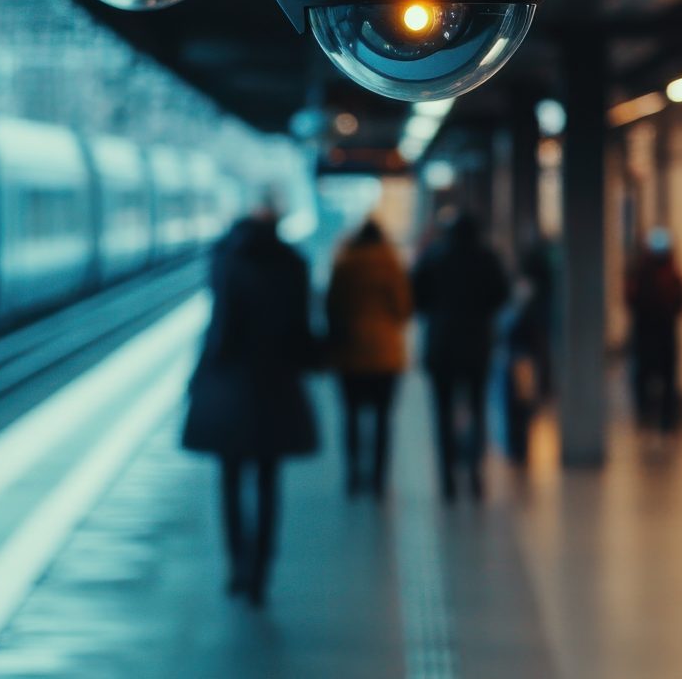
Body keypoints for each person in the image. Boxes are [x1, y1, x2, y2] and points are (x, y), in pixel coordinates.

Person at [182, 209, 318, 607]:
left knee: (228, 479)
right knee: (268, 480)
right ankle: (261, 571)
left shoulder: (228, 264)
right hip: (277, 387)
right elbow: (302, 332)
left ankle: (236, 565)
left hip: (231, 390)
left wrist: (199, 378)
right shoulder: (292, 264)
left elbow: (220, 331)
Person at [413, 211, 509, 501]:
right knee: (477, 407)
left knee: (442, 411)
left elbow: (416, 296)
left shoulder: (434, 257)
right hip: (477, 344)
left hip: (442, 344)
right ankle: (475, 471)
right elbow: (501, 294)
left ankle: (447, 478)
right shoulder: (487, 258)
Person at [326, 219, 413, 499]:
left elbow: (331, 308)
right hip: (386, 356)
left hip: (350, 353)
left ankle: (353, 475)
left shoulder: (344, 265)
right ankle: (379, 479)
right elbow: (403, 309)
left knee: (350, 416)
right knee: (383, 418)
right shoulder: (392, 266)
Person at [625, 227, 682, 431]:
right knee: (658, 378)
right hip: (658, 334)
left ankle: (651, 417)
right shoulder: (667, 274)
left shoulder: (651, 273)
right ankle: (659, 419)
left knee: (651, 378)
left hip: (651, 334)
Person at [502, 238, 556, 464]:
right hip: (528, 352)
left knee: (519, 398)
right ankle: (518, 446)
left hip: (519, 354)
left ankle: (517, 447)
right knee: (523, 397)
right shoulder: (541, 300)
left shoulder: (524, 297)